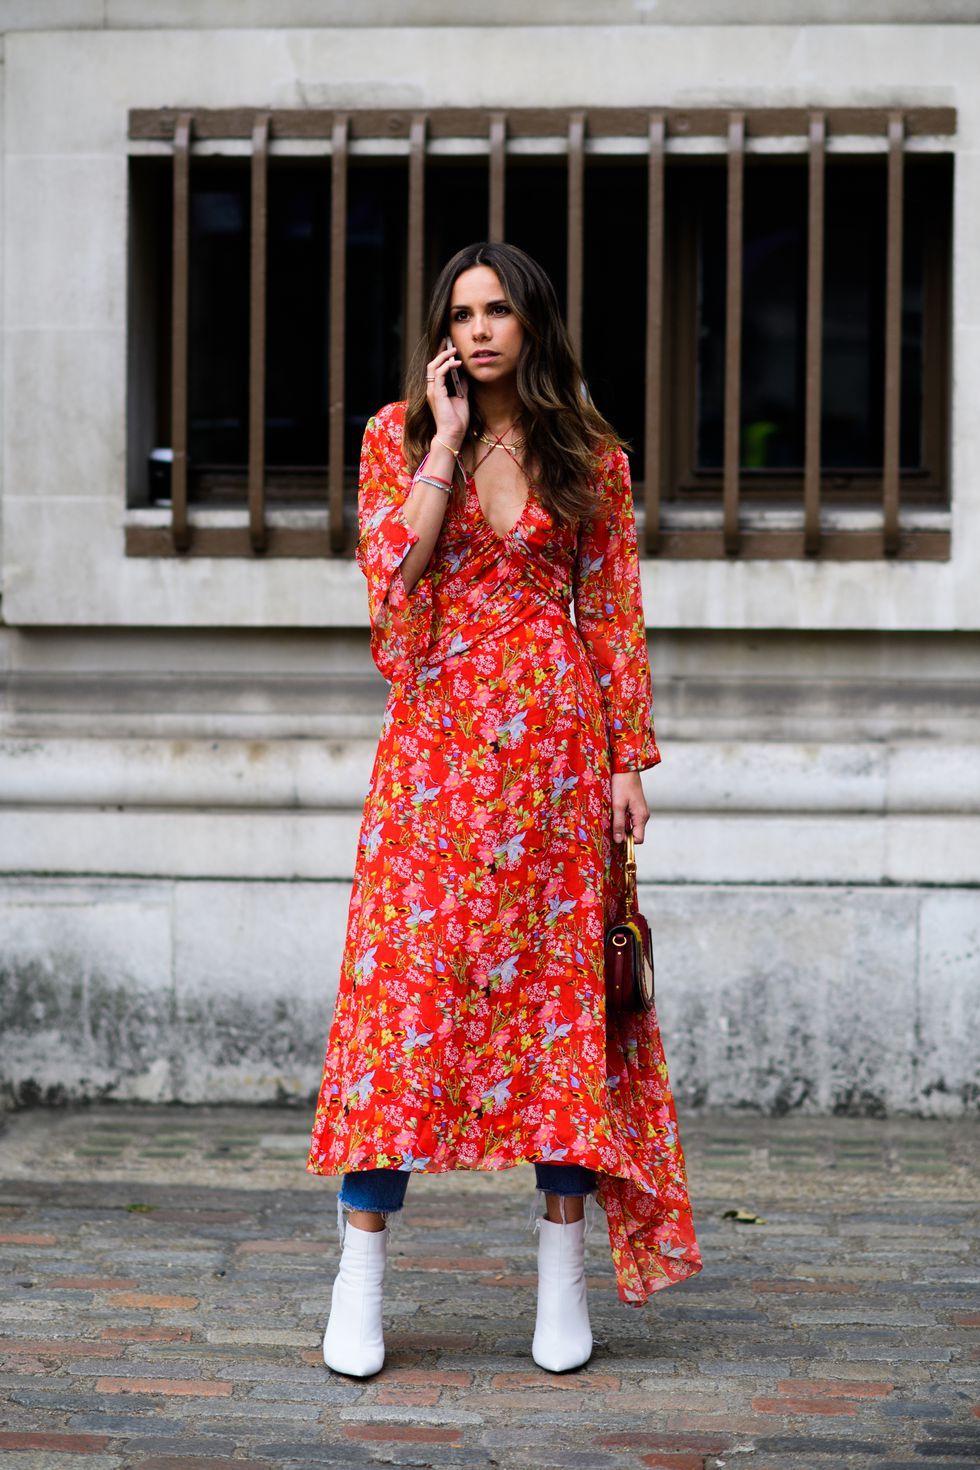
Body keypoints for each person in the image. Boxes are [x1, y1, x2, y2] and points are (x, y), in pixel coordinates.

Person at [307, 241, 701, 1379]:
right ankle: (359, 1276)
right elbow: (391, 579)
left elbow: (611, 611)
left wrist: (626, 759)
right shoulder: (395, 434)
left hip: (554, 765)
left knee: (557, 1016)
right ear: (442, 332)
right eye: (459, 313)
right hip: (432, 766)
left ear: (530, 324)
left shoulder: (590, 453)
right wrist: (439, 443)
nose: (478, 330)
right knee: (399, 1011)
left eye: (497, 312)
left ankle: (558, 1274)